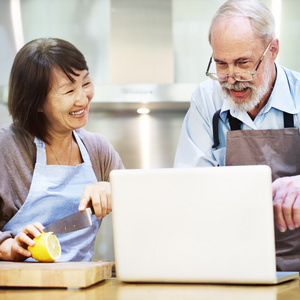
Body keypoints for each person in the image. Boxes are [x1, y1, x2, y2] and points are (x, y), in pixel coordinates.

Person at [174, 0, 300, 271]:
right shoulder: (206, 100)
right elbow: (188, 188)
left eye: (243, 63)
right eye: (221, 64)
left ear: (273, 50)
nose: (231, 78)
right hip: (230, 263)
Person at [0, 38, 124, 262]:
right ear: (36, 102)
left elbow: (143, 209)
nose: (83, 98)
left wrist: (116, 191)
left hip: (83, 288)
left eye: (86, 83)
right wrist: (7, 247)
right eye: (68, 91)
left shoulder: (98, 150)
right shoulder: (6, 148)